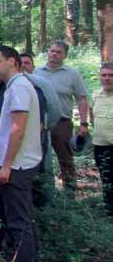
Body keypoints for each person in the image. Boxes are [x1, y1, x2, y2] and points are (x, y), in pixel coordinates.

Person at [0, 45, 42, 262]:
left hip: (18, 165)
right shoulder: (13, 86)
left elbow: (18, 129)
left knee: (18, 219)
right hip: (19, 162)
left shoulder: (19, 87)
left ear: (12, 61)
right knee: (24, 215)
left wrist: (7, 165)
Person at [34, 40, 89, 191]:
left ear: (65, 55)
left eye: (59, 52)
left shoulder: (72, 74)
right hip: (39, 122)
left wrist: (84, 124)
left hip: (62, 122)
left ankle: (70, 192)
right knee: (38, 157)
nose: (54, 54)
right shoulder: (37, 72)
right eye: (52, 51)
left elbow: (82, 99)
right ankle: (42, 192)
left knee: (65, 158)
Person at [20, 53, 61, 208]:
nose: (24, 65)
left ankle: (46, 206)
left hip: (40, 135)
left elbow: (54, 108)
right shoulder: (6, 83)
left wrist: (46, 127)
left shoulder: (41, 83)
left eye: (27, 62)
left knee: (44, 167)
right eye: (21, 62)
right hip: (18, 137)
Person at [91, 62, 113, 216]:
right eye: (104, 75)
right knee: (106, 178)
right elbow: (93, 116)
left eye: (111, 75)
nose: (107, 78)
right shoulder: (96, 95)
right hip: (100, 145)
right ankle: (109, 210)